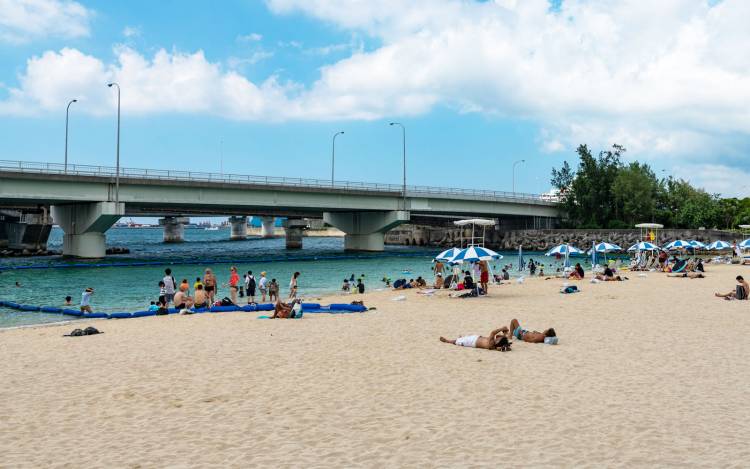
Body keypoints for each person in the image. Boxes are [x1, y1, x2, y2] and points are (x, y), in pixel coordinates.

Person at [439, 327, 512, 351]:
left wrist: (502, 328)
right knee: (464, 338)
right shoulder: (496, 346)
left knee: (457, 341)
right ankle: (461, 338)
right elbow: (503, 343)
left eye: (499, 338)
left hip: (472, 342)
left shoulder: (491, 343)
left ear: (498, 341)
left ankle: (447, 341)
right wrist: (505, 334)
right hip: (476, 338)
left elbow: (493, 332)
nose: (499, 337)